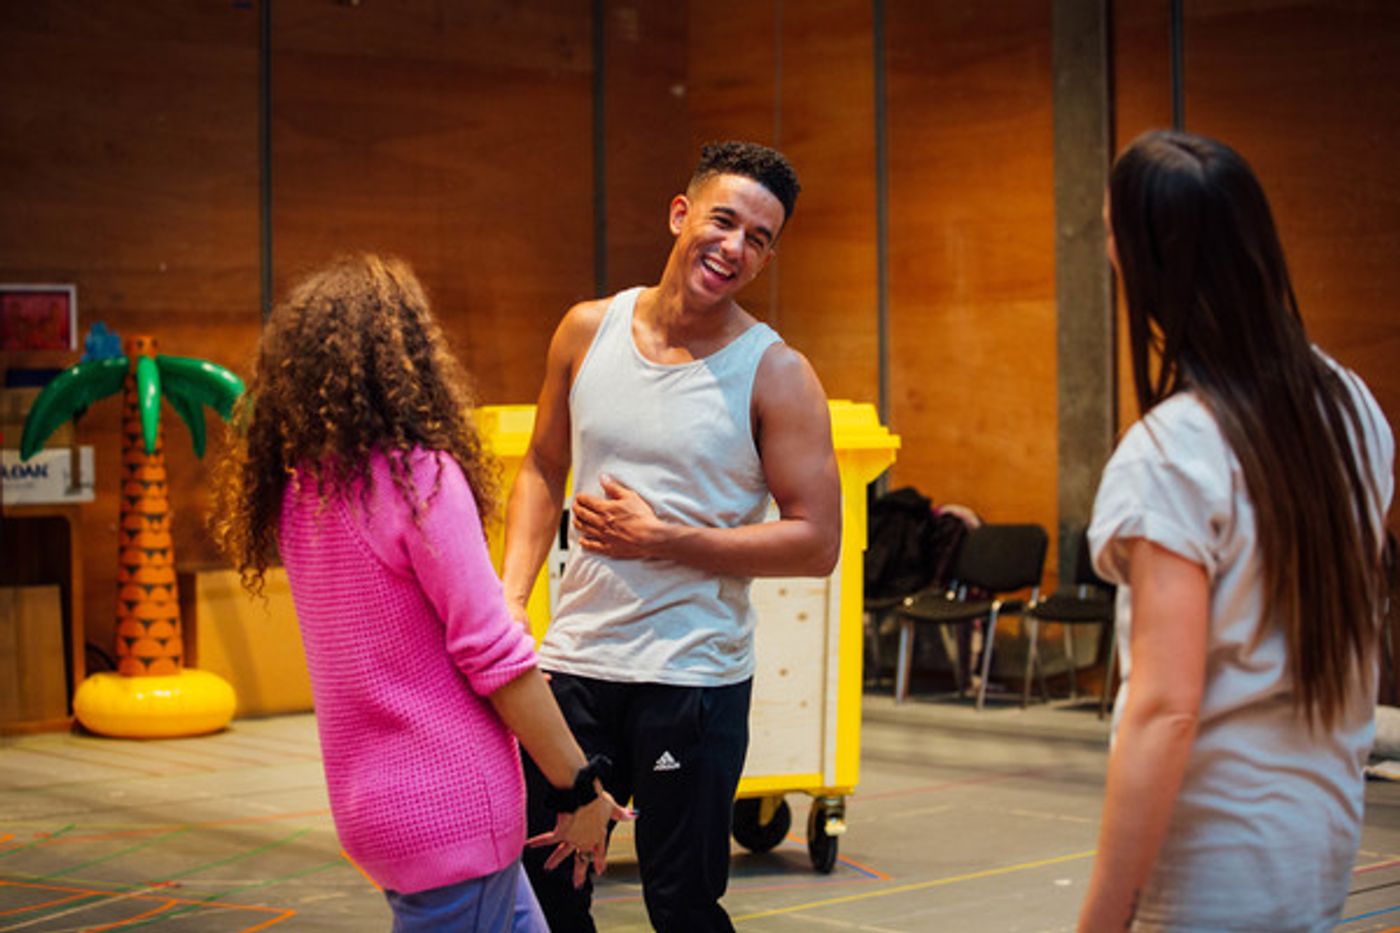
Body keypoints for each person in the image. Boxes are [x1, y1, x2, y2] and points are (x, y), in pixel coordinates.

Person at [210, 254, 627, 932]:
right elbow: (494, 655)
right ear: (409, 355)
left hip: (379, 814)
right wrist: (580, 781)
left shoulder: (300, 493)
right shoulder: (418, 478)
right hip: (451, 811)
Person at [502, 141, 841, 931]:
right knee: (548, 885)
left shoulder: (777, 373)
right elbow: (542, 466)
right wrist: (512, 597)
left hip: (693, 681)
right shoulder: (587, 330)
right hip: (575, 666)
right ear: (680, 213)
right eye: (724, 221)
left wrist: (665, 538)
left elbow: (817, 541)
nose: (736, 247)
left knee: (681, 901)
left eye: (760, 238)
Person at [1079, 130, 1395, 931]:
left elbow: (1164, 709)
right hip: (1319, 838)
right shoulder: (1352, 404)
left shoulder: (1173, 449)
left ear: (1152, 261)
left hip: (1211, 865)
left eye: (1112, 230)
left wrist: (1102, 918)